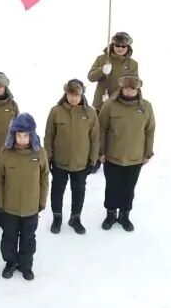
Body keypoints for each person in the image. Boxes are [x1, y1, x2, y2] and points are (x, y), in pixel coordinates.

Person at [0, 113, 50, 281]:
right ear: (13, 135)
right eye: (19, 135)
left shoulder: (39, 153)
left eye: (25, 135)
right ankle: (10, 263)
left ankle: (26, 265)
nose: (22, 139)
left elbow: (44, 178)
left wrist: (41, 202)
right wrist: (0, 202)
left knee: (28, 238)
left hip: (31, 206)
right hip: (10, 206)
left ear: (31, 135)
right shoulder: (6, 153)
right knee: (9, 237)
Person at [98, 75, 155, 232]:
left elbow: (150, 131)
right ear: (121, 88)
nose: (129, 91)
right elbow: (101, 129)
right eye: (126, 88)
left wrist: (147, 153)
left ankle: (124, 215)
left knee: (128, 188)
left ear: (138, 90)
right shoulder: (110, 105)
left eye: (133, 89)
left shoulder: (146, 107)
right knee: (112, 186)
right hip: (112, 156)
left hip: (135, 158)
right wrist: (101, 151)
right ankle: (110, 214)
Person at [43, 79, 99, 235]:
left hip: (81, 163)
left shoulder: (90, 113)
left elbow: (95, 138)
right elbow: (49, 136)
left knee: (79, 191)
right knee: (57, 190)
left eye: (76, 95)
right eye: (70, 94)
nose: (73, 98)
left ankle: (75, 218)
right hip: (59, 161)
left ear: (82, 95)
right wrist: (48, 157)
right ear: (65, 94)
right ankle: (57, 218)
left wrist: (93, 159)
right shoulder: (56, 111)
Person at [87, 31, 138, 110]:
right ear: (112, 45)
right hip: (101, 104)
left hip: (121, 104)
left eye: (123, 46)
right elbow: (91, 77)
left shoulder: (133, 64)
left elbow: (134, 85)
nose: (120, 48)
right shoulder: (101, 59)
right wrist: (102, 70)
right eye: (117, 45)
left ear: (128, 47)